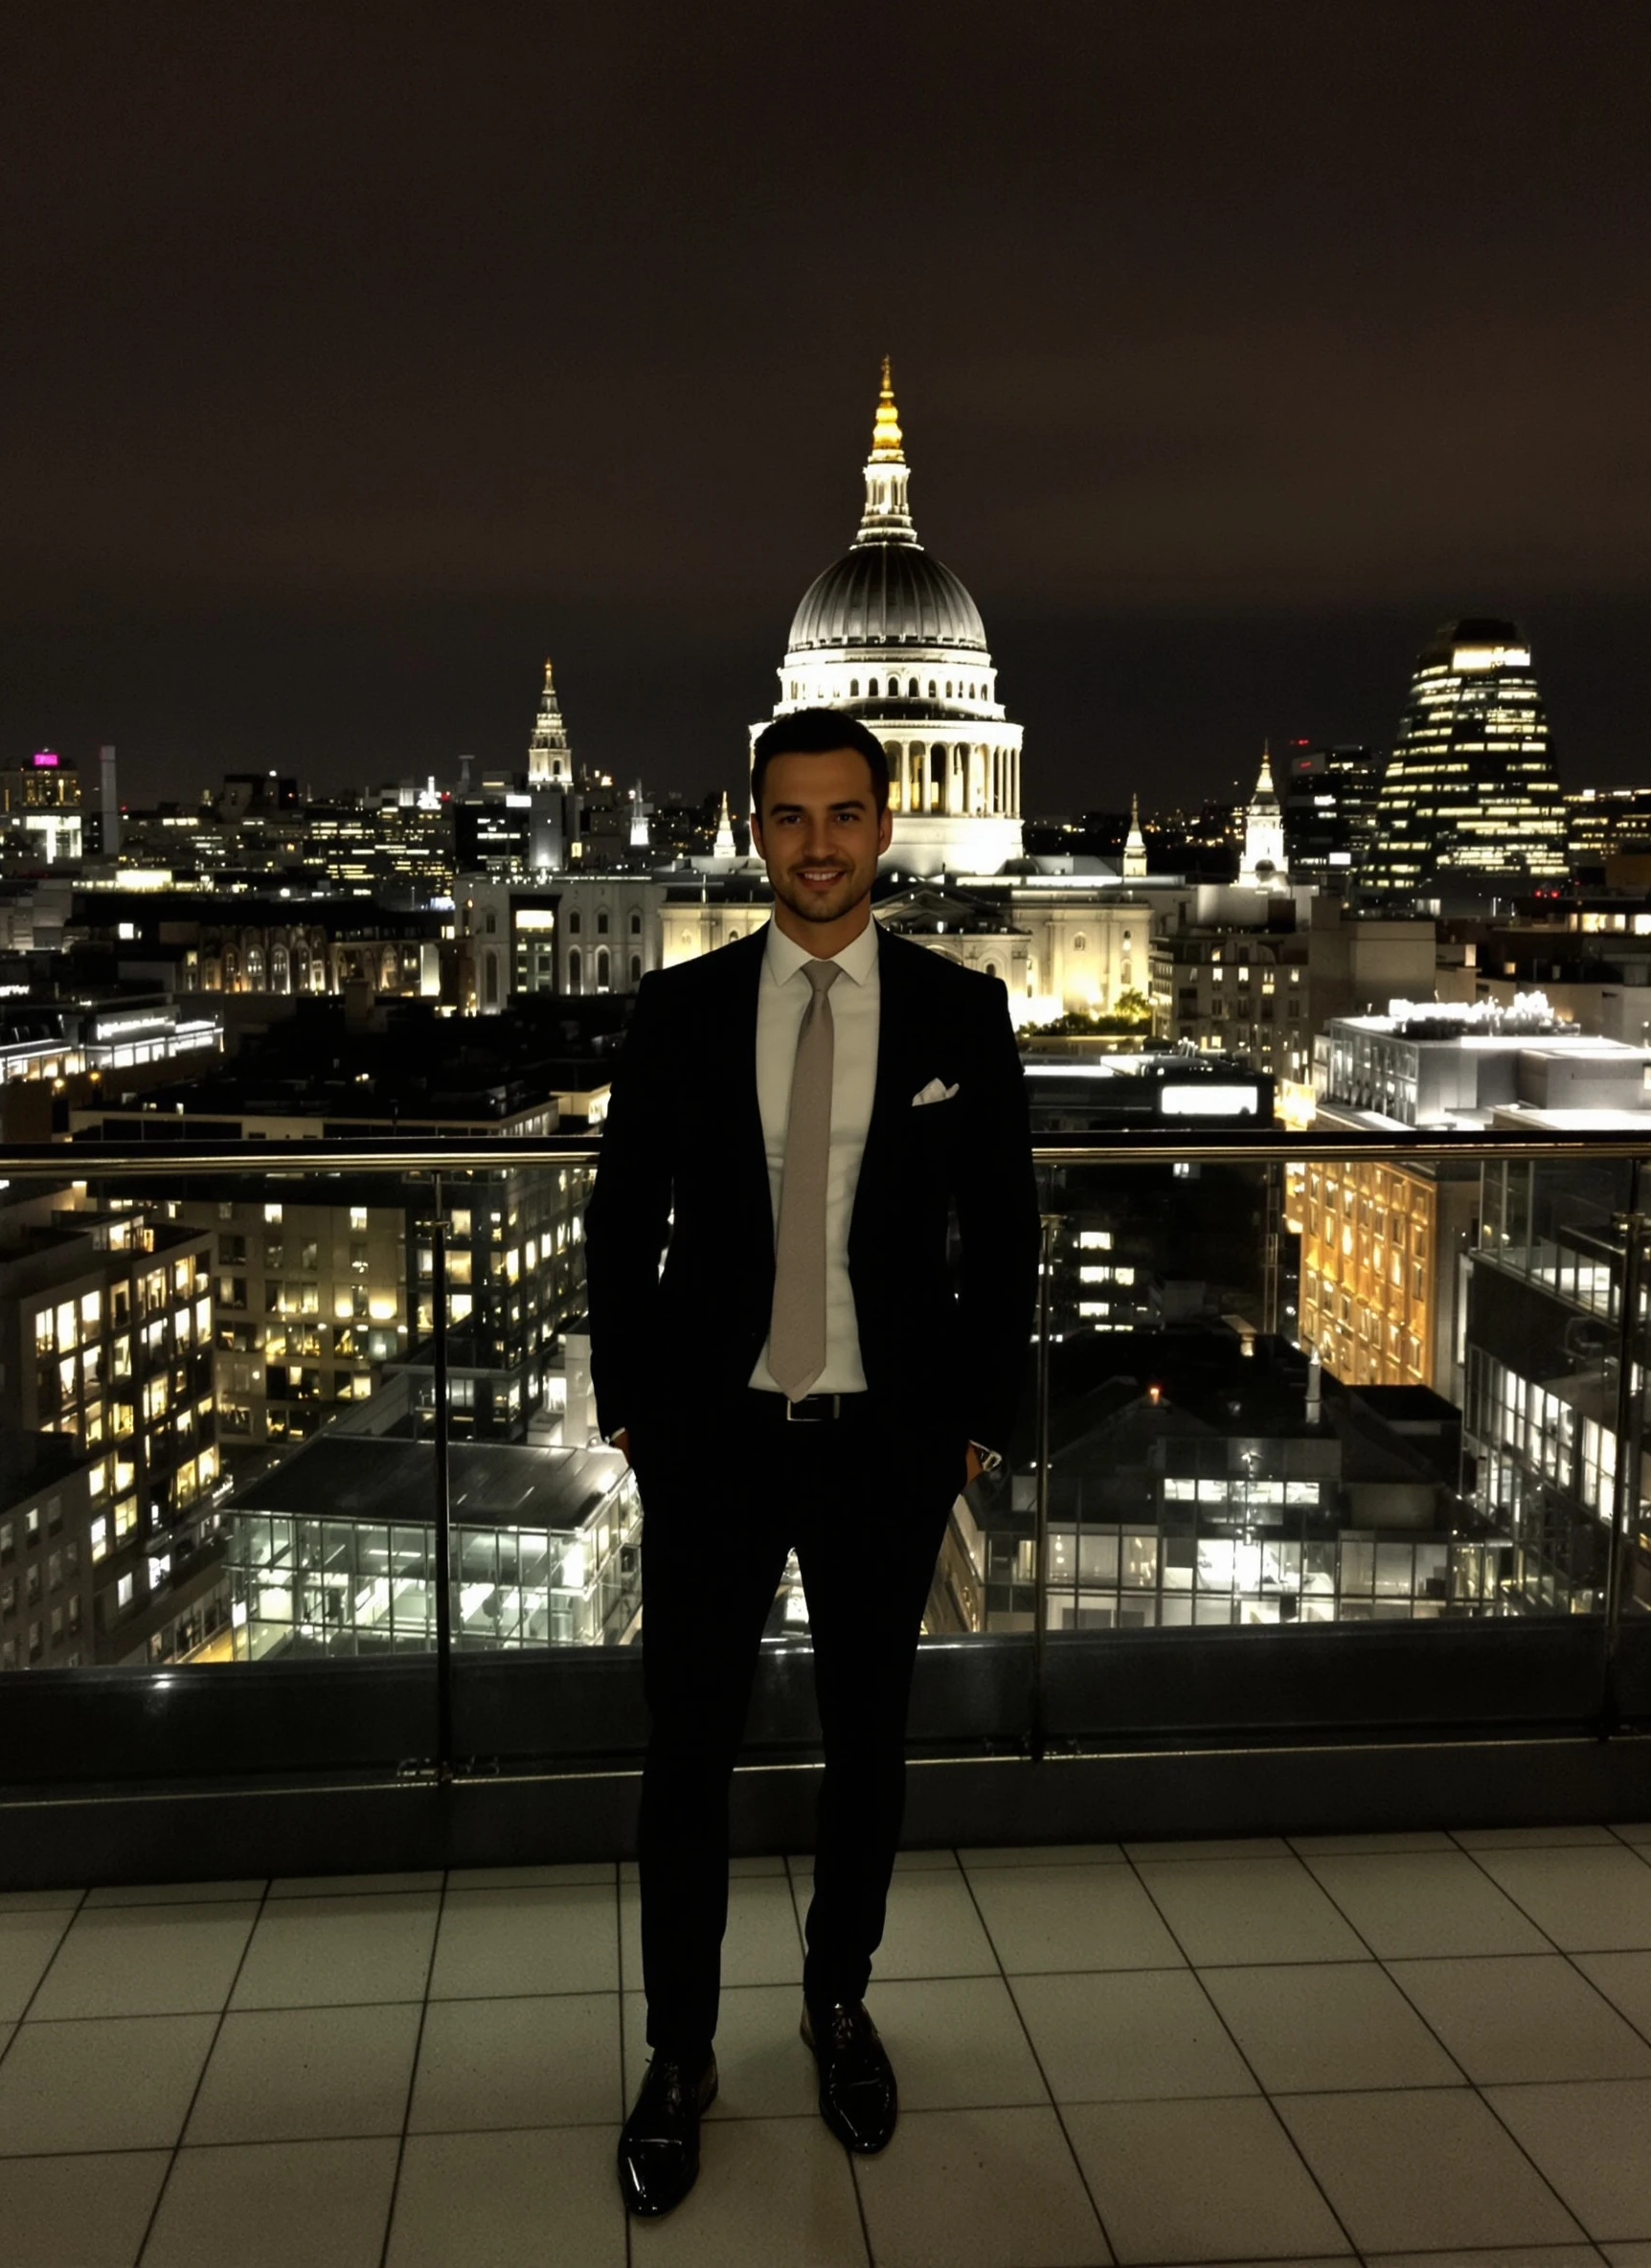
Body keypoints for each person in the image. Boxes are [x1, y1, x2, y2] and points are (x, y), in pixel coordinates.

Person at [583, 709, 1040, 2216]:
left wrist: (973, 1424)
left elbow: (1007, 1243)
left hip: (885, 1444)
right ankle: (680, 2053)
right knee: (684, 1764)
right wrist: (634, 1413)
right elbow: (619, 1221)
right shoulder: (680, 1009)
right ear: (755, 826)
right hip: (714, 1442)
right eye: (791, 817)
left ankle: (837, 2006)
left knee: (868, 1751)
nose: (821, 844)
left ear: (887, 825)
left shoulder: (962, 1016)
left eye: (846, 815)